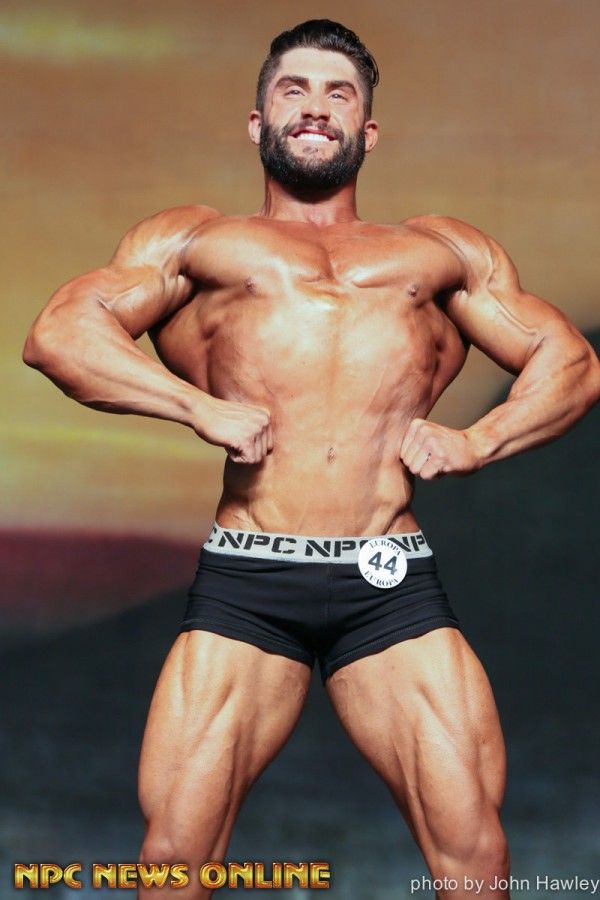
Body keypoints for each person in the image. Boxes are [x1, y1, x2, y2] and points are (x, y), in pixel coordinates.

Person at [23, 18, 598, 900]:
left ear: (368, 129)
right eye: (294, 90)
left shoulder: (439, 253)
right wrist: (195, 405)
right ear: (258, 122)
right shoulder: (195, 241)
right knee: (175, 860)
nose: (316, 107)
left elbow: (573, 364)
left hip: (386, 578)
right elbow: (60, 334)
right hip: (249, 579)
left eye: (340, 93)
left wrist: (479, 439)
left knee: (475, 857)